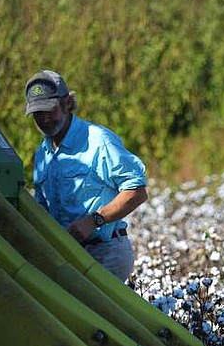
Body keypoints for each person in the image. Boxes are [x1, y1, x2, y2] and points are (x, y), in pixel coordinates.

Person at [24, 70, 148, 282]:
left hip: (105, 253)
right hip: (67, 256)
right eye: (38, 113)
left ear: (68, 103)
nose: (44, 118)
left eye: (50, 110)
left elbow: (137, 191)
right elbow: (42, 209)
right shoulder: (42, 154)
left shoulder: (98, 141)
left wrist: (94, 220)